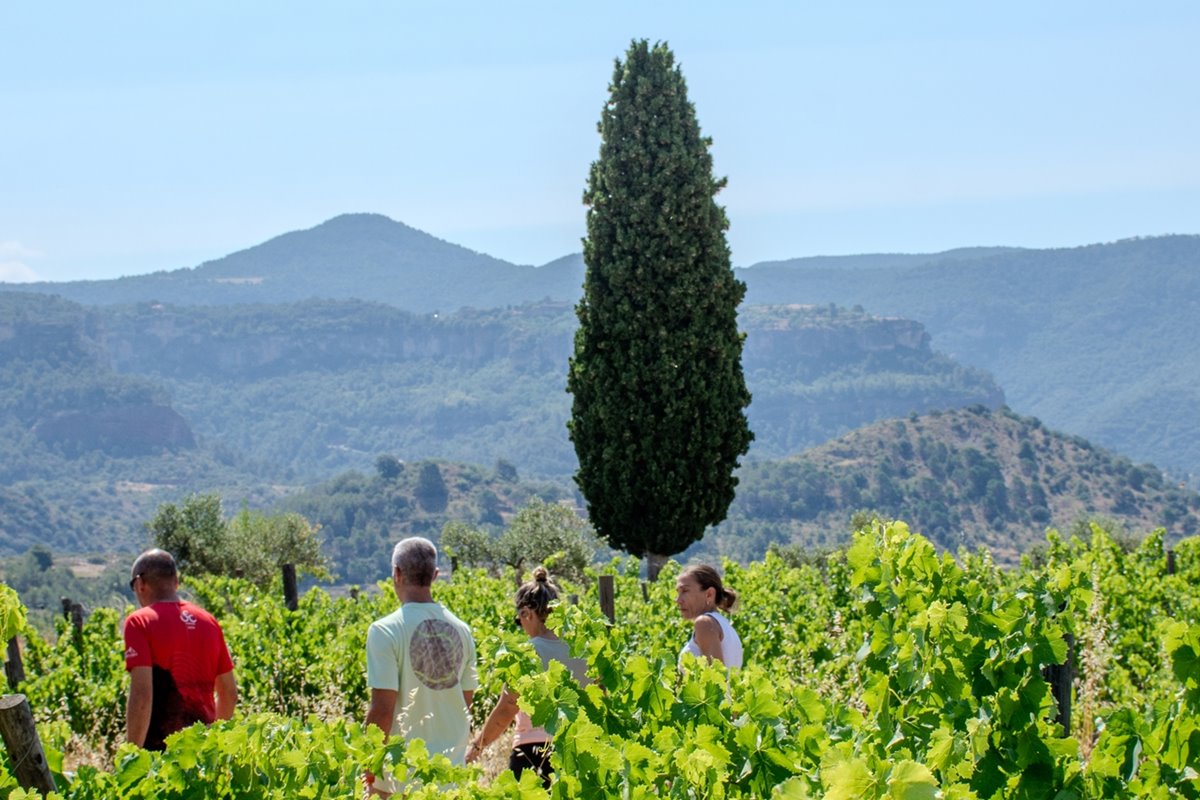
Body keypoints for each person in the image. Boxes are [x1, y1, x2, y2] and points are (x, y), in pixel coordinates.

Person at [364, 537, 478, 797]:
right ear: (435, 575)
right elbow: (465, 704)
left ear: (397, 573)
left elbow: (382, 711)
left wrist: (368, 766)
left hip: (399, 779)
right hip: (451, 777)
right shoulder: (463, 631)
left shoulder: (384, 631)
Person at [465, 567, 587, 787]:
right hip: (576, 748)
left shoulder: (526, 654)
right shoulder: (581, 651)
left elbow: (507, 709)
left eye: (519, 619)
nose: (520, 625)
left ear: (526, 613)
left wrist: (477, 747)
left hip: (532, 753)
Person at [123, 548, 238, 750]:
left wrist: (130, 755)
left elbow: (142, 696)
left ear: (140, 583)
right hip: (202, 752)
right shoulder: (209, 621)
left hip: (159, 752)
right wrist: (215, 745)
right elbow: (229, 693)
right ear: (176, 582)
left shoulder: (140, 622)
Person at [675, 564, 743, 668]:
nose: (678, 600)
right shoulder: (723, 624)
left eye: (685, 591)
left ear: (709, 594)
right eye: (678, 592)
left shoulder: (705, 623)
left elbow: (717, 680)